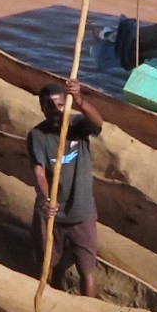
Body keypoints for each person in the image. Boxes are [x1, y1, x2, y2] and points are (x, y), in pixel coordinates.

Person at [27, 79, 104, 298]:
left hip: (82, 212)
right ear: (42, 108)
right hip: (53, 215)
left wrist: (80, 100)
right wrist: (46, 199)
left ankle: (89, 311)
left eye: (60, 105)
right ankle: (51, 300)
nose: (56, 111)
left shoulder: (77, 125)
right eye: (50, 106)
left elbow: (98, 123)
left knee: (87, 269)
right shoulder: (37, 136)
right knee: (47, 265)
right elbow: (39, 172)